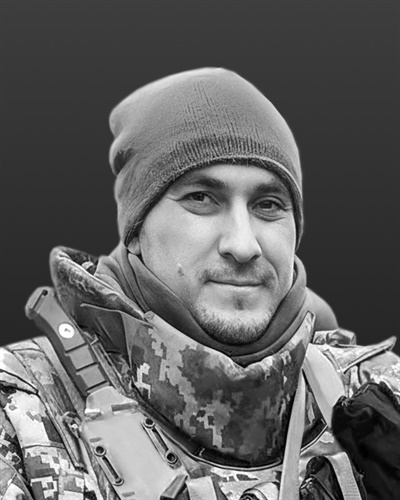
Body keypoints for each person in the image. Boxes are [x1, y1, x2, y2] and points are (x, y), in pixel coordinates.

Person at [0, 68, 399, 500]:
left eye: (268, 205)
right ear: (135, 231)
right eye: (201, 199)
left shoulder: (379, 397)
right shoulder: (20, 414)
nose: (243, 245)